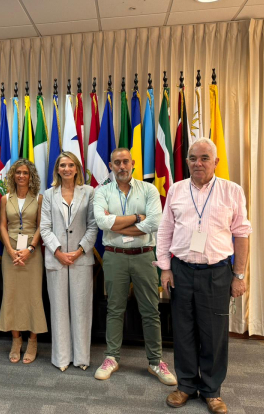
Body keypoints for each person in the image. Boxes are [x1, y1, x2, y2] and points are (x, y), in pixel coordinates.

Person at [156, 138, 251, 414]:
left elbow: (242, 235)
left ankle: (211, 390)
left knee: (214, 334)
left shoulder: (232, 191)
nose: (198, 163)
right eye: (193, 158)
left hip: (217, 273)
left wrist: (239, 275)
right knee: (183, 332)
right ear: (186, 161)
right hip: (181, 271)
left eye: (204, 158)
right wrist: (164, 268)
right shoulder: (175, 190)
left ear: (216, 162)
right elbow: (164, 232)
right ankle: (186, 385)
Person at [93, 148, 176, 385]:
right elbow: (101, 222)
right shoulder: (102, 191)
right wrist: (137, 218)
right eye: (117, 162)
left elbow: (154, 223)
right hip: (114, 256)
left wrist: (116, 225)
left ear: (133, 163)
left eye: (125, 162)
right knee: (114, 309)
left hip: (144, 256)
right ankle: (111, 357)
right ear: (110, 165)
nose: (121, 166)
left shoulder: (149, 190)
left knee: (150, 310)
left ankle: (155, 361)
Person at [40, 152, 98, 372]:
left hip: (81, 258)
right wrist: (58, 252)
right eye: (62, 165)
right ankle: (61, 357)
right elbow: (44, 227)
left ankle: (82, 357)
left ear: (77, 169)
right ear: (57, 169)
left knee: (82, 308)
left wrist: (79, 250)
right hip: (56, 259)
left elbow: (93, 225)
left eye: (70, 165)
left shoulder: (89, 192)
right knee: (59, 308)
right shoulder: (48, 194)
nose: (66, 168)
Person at [0, 158, 47, 364]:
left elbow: (40, 227)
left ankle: (33, 340)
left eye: (25, 173)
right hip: (10, 254)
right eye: (18, 172)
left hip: (32, 255)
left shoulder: (38, 199)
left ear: (31, 176)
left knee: (33, 296)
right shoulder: (4, 198)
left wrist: (30, 249)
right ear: (13, 175)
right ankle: (16, 340)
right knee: (12, 295)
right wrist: (10, 250)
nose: (21, 176)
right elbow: (1, 225)